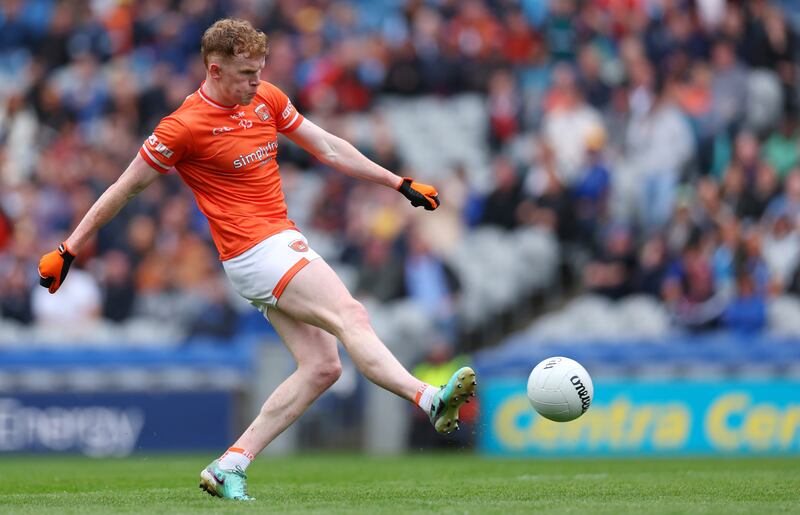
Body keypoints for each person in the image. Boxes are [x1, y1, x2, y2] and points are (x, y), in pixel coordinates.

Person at [36, 19, 476, 502]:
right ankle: (428, 399)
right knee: (351, 315)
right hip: (255, 250)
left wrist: (399, 183)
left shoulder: (264, 98)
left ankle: (231, 464)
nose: (255, 81)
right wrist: (69, 248)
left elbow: (327, 145)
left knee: (322, 367)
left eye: (260, 70)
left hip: (272, 246)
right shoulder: (182, 127)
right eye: (246, 73)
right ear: (215, 68)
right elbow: (124, 188)